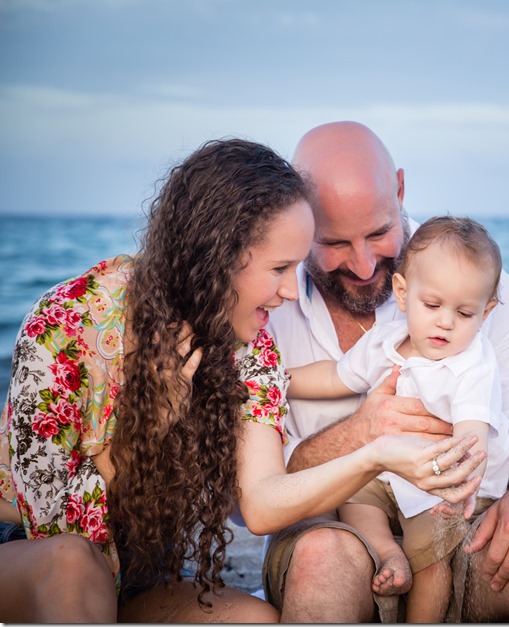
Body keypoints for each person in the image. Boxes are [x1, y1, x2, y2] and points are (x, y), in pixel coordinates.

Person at [0, 138, 483, 622]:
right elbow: (53, 520)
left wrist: (374, 453)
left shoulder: (247, 342)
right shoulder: (67, 322)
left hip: (135, 579)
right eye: (279, 268)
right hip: (33, 557)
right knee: (72, 565)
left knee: (257, 620)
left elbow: (262, 503)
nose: (293, 292)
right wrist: (146, 433)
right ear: (217, 256)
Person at [265, 121, 509, 622]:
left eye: (379, 233)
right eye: (336, 242)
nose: (364, 266)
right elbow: (257, 490)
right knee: (323, 556)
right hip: (336, 526)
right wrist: (360, 436)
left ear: (401, 190)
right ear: (299, 220)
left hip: (461, 518)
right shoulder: (268, 309)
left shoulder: (474, 292)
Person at [287, 215, 509, 622]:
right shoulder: (386, 341)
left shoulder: (473, 364)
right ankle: (390, 554)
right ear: (403, 293)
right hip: (389, 471)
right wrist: (279, 381)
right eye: (433, 305)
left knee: (432, 555)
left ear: (486, 312)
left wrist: (459, 483)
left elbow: (472, 435)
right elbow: (334, 376)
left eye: (464, 313)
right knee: (354, 496)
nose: (445, 321)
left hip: (439, 482)